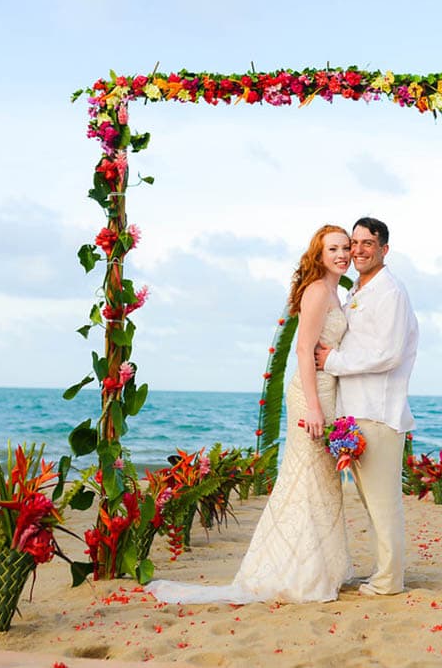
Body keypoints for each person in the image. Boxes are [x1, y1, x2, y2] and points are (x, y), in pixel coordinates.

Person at [146, 224, 354, 604]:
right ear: (319, 255)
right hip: (312, 396)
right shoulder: (318, 291)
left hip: (330, 393)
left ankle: (320, 565)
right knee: (303, 480)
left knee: (322, 483)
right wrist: (312, 406)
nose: (341, 254)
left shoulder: (339, 293)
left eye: (345, 247)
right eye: (333, 249)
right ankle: (295, 571)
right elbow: (303, 349)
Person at [315, 217, 419, 596]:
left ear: (384, 249)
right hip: (355, 411)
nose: (357, 250)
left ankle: (390, 580)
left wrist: (332, 362)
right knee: (370, 502)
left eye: (366, 243)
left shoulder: (389, 291)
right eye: (353, 242)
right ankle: (381, 570)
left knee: (383, 501)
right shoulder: (358, 288)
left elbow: (388, 353)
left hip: (378, 411)